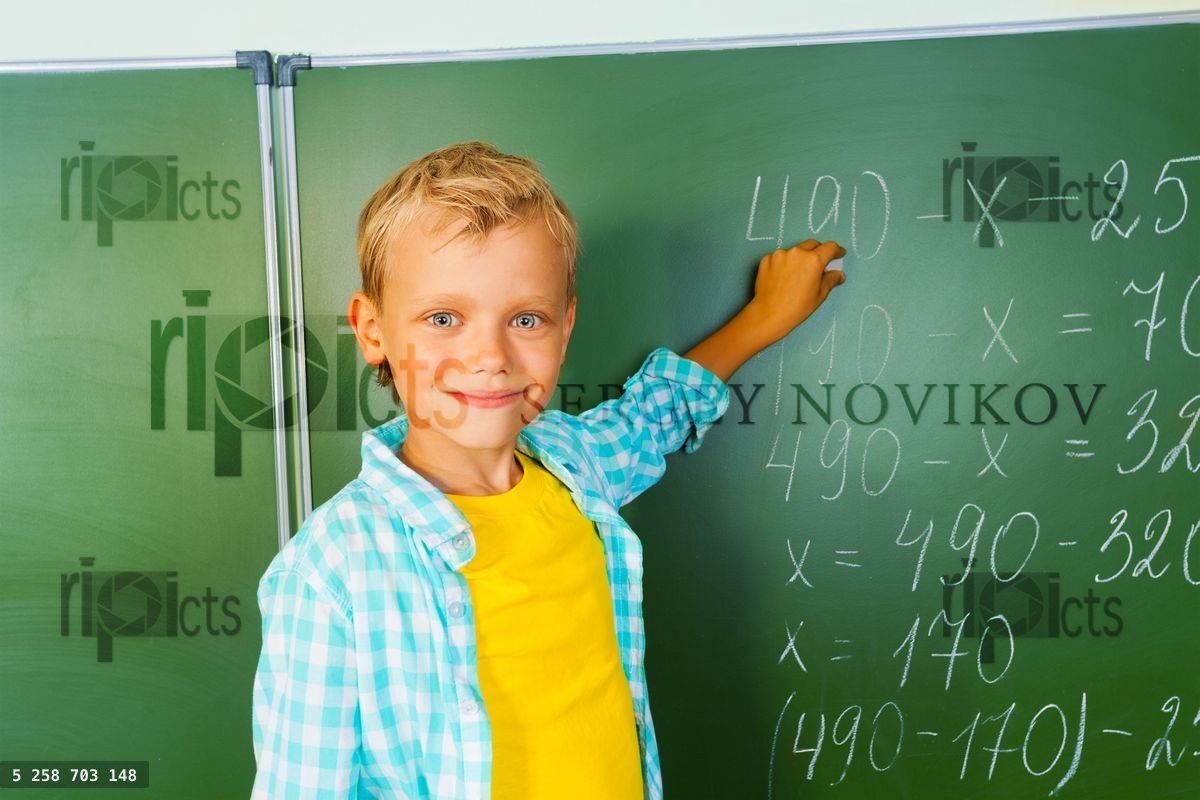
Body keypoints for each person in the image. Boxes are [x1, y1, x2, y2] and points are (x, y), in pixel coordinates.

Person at [250, 140, 847, 799]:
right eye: (443, 318)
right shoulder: (334, 570)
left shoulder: (574, 465)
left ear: (565, 327)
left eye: (525, 319)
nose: (490, 355)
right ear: (373, 331)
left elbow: (655, 413)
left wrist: (764, 317)